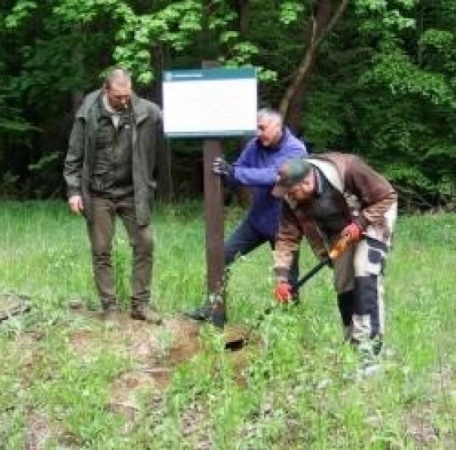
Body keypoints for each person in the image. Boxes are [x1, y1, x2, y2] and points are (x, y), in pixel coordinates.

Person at [270, 153, 397, 375]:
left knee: (365, 272)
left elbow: (387, 196)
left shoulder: (348, 169)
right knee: (343, 283)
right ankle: (353, 348)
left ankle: (370, 351)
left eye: (292, 190)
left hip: (372, 218)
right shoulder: (292, 199)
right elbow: (287, 238)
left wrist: (361, 223)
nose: (289, 196)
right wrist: (281, 279)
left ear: (307, 182)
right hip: (341, 232)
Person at [185, 108, 308, 323]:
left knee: (288, 278)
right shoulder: (256, 145)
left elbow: (274, 176)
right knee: (221, 258)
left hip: (285, 226)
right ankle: (212, 308)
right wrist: (226, 172)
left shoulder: (296, 149)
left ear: (278, 127)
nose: (258, 133)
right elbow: (238, 170)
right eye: (256, 128)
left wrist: (235, 173)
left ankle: (291, 323)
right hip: (257, 220)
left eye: (263, 128)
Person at [63, 67, 164, 324]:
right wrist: (74, 191)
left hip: (133, 192)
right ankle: (109, 308)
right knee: (101, 250)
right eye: (119, 96)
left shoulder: (147, 112)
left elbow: (174, 127)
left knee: (145, 244)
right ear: (106, 90)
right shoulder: (88, 113)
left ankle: (140, 305)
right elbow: (74, 155)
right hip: (98, 193)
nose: (124, 100)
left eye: (127, 95)